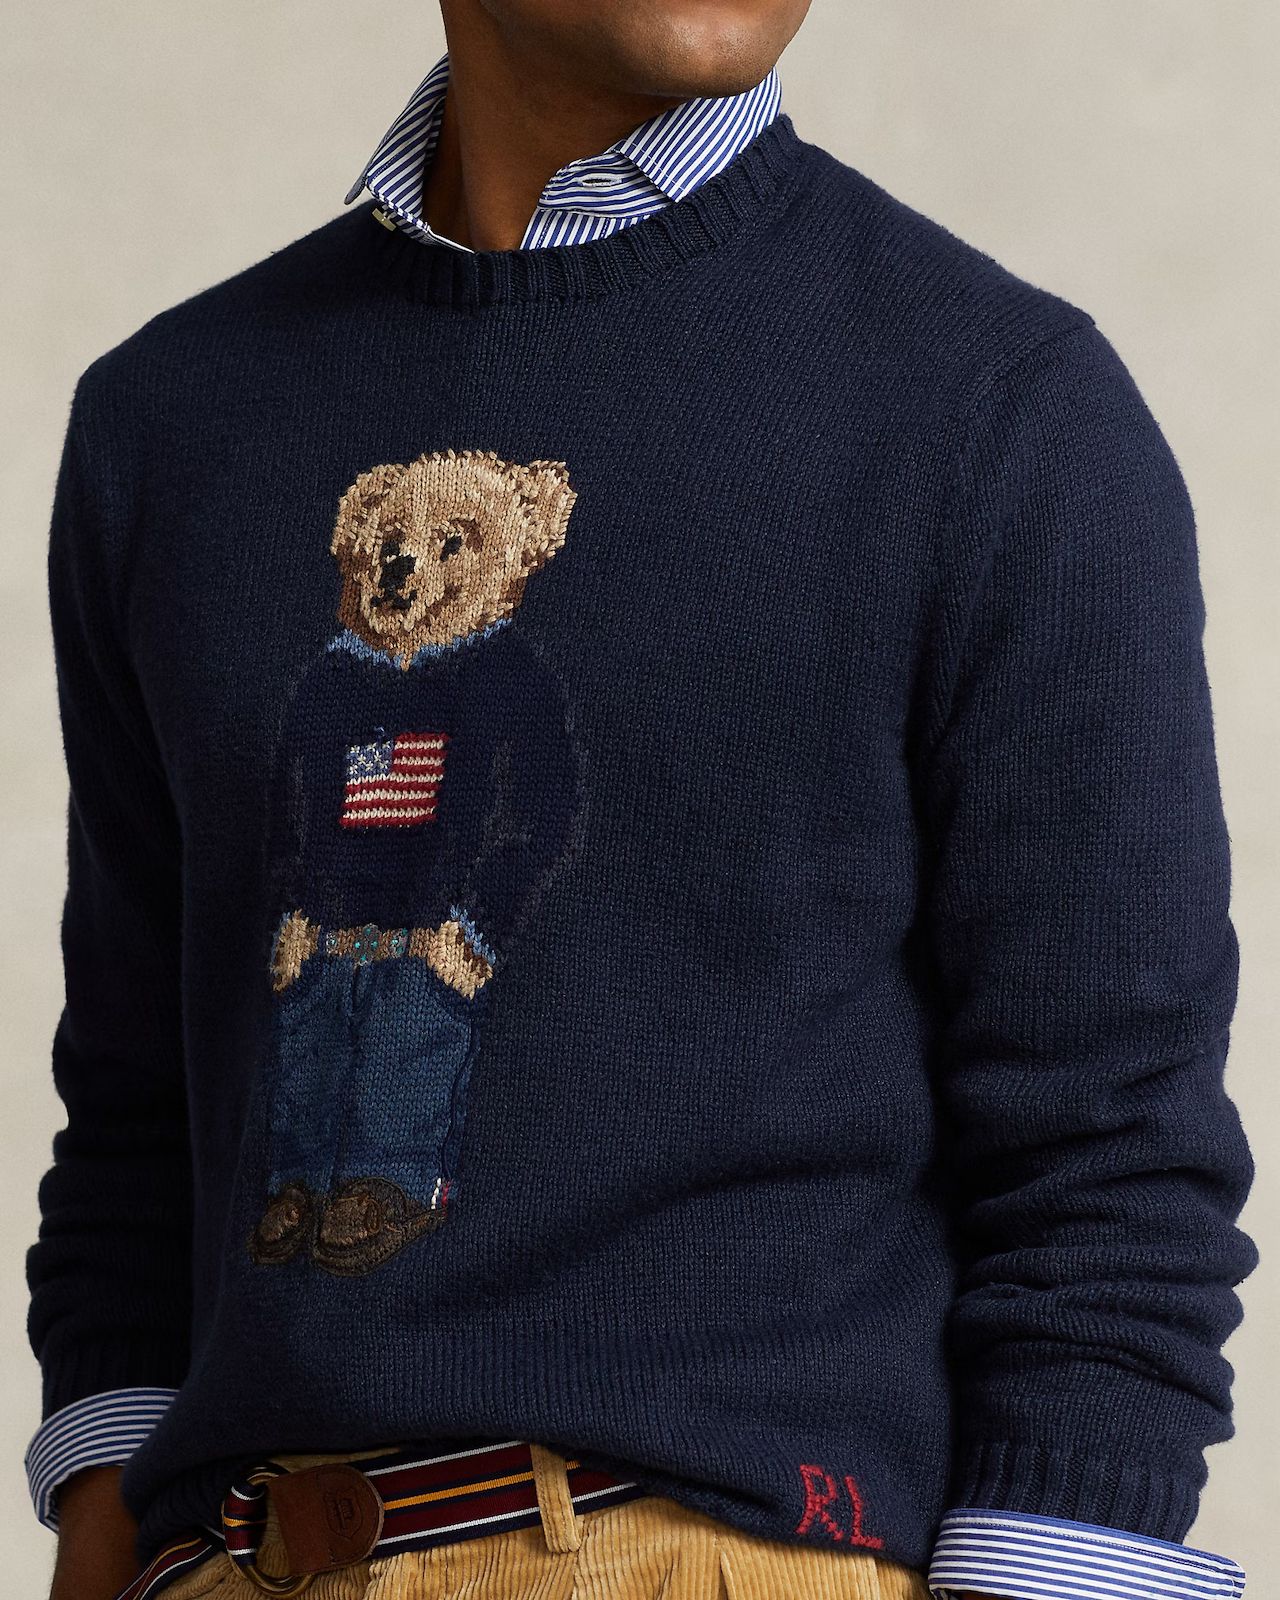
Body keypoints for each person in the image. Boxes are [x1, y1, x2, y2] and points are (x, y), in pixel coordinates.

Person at [24, 2, 1257, 1599]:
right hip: (233, 1551)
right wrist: (109, 1518)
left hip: (724, 1552)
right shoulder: (171, 422)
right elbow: (145, 1098)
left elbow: (1111, 1157)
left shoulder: (998, 408)